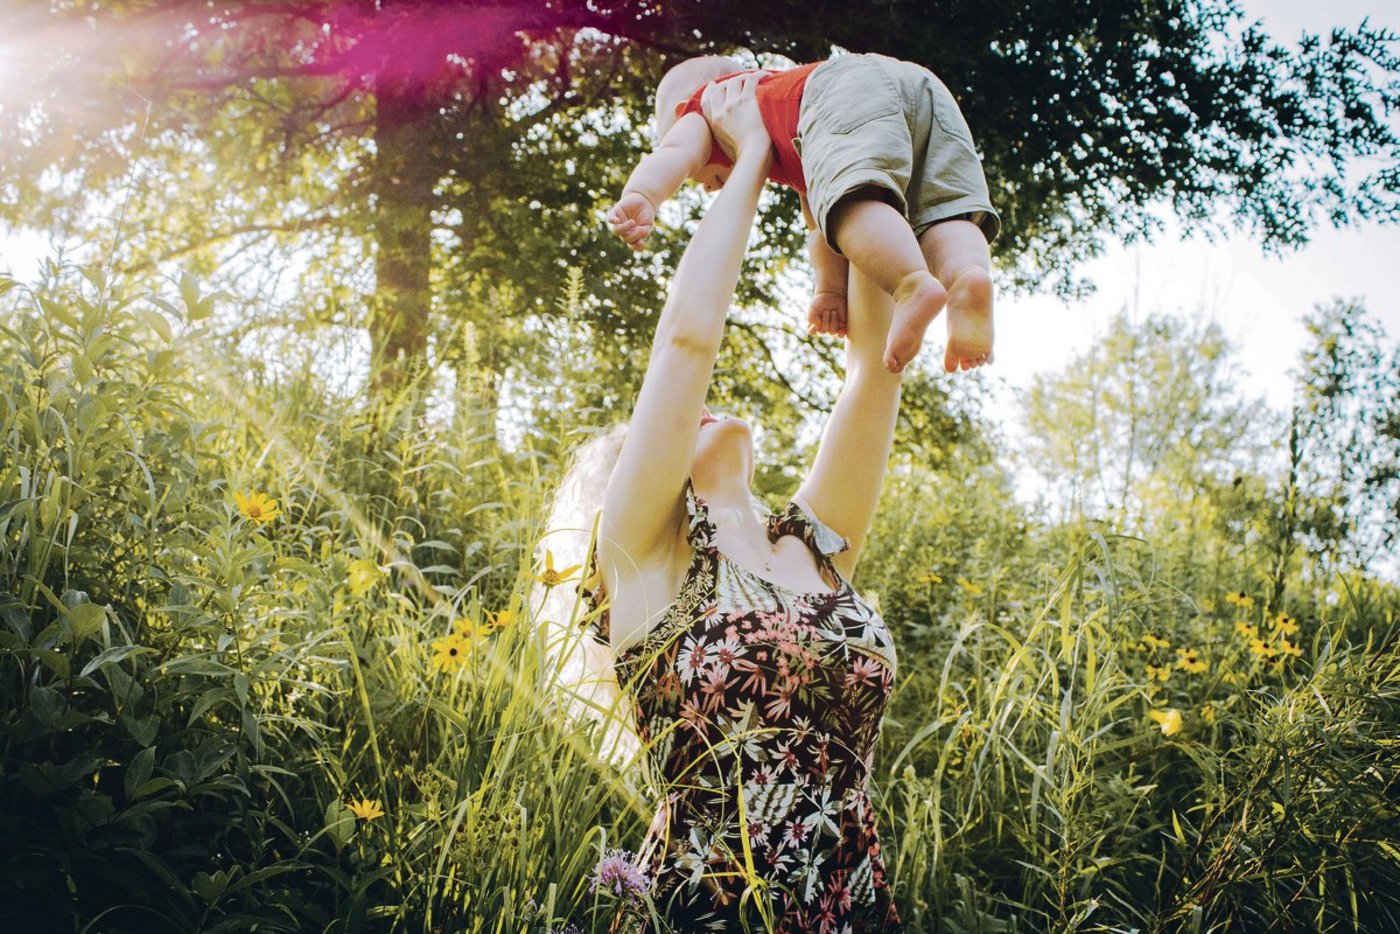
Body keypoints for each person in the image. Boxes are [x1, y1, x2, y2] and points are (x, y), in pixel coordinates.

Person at [550, 74, 904, 931]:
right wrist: (748, 156)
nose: (698, 408)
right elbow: (687, 338)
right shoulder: (647, 557)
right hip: (711, 913)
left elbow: (875, 370)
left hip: (854, 911)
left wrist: (838, 161)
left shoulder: (814, 548)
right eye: (671, 430)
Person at [606, 51, 1000, 376]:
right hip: (920, 86)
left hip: (842, 87)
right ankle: (966, 278)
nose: (707, 185)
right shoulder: (796, 128)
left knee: (854, 206)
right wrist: (829, 291)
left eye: (700, 178)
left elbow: (674, 153)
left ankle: (912, 283)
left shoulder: (708, 106)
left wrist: (643, 194)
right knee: (943, 210)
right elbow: (820, 224)